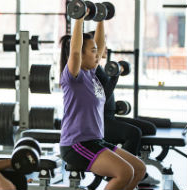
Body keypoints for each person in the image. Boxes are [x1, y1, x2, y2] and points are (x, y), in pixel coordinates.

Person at [59, 11, 146, 190]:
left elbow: (99, 43)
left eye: (97, 51)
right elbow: (75, 52)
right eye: (92, 51)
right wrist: (79, 18)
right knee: (125, 172)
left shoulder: (91, 74)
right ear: (81, 56)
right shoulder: (73, 77)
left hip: (96, 140)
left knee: (138, 169)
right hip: (76, 144)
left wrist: (100, 19)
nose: (98, 54)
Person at [88, 31, 159, 186]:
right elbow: (102, 97)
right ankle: (124, 171)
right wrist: (115, 76)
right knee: (134, 133)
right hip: (99, 122)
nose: (106, 48)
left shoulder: (100, 67)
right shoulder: (91, 71)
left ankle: (131, 163)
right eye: (102, 45)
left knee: (149, 128)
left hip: (110, 117)